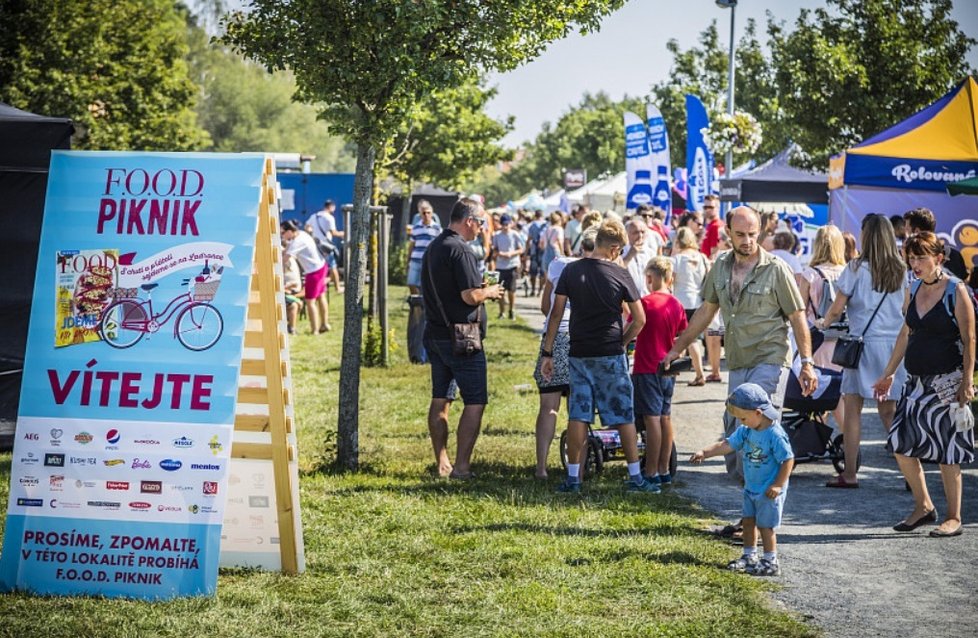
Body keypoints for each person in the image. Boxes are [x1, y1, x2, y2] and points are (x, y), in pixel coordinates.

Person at [667, 206, 817, 480]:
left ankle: (766, 502)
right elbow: (706, 311)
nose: (747, 240)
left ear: (760, 233)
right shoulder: (721, 266)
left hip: (770, 358)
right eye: (740, 234)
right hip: (738, 360)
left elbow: (797, 317)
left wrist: (807, 363)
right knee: (735, 429)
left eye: (752, 234)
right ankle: (747, 504)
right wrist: (678, 346)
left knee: (757, 425)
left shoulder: (776, 269)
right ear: (728, 233)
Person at [541, 219, 657, 494]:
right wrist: (623, 342)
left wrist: (548, 352)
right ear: (615, 248)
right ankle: (635, 476)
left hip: (578, 352)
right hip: (609, 353)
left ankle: (573, 478)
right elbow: (639, 319)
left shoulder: (571, 270)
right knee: (623, 415)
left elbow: (555, 314)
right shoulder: (619, 274)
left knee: (578, 415)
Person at [873, 231, 975, 537]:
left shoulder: (956, 291)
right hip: (915, 383)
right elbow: (906, 332)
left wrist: (967, 382)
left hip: (947, 383)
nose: (915, 263)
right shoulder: (913, 286)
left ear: (939, 258)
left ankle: (953, 517)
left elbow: (970, 339)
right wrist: (888, 372)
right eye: (911, 257)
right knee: (900, 444)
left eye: (921, 257)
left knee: (948, 452)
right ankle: (924, 506)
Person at [816, 214, 907, 488]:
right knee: (889, 413)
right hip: (893, 347)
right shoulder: (901, 269)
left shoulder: (856, 267)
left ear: (866, 236)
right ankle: (910, 474)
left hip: (862, 346)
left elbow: (836, 307)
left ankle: (850, 474)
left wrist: (823, 322)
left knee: (853, 410)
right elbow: (905, 309)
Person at [420, 198, 503, 479]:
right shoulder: (462, 250)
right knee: (475, 400)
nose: (482, 229)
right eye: (481, 223)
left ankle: (441, 461)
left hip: (435, 333)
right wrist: (490, 292)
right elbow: (469, 296)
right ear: (469, 221)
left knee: (440, 398)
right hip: (462, 338)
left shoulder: (435, 247)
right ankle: (462, 467)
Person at [690, 383, 794, 577]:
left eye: (743, 418)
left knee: (765, 526)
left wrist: (778, 484)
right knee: (748, 521)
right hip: (752, 486)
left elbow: (788, 459)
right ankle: (749, 556)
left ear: (757, 413)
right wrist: (705, 452)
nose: (741, 422)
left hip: (768, 490)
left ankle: (771, 561)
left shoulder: (775, 434)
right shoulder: (747, 431)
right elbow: (727, 444)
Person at [532, 227, 597, 479]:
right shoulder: (599, 270)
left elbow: (545, 306)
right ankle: (576, 470)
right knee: (577, 408)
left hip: (555, 335)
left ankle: (541, 468)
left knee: (549, 405)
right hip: (581, 337)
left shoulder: (558, 264)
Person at [632, 257, 688, 485]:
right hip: (668, 367)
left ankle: (650, 471)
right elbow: (682, 335)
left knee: (651, 419)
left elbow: (632, 327)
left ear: (650, 277)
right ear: (670, 278)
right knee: (665, 417)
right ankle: (664, 469)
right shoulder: (676, 304)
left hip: (647, 366)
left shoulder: (645, 303)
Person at [797, 225, 847, 428]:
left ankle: (818, 436)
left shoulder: (810, 274)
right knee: (840, 392)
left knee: (819, 389)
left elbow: (799, 310)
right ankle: (848, 439)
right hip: (843, 339)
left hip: (817, 339)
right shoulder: (847, 272)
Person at [670, 226, 709, 386]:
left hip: (680, 301)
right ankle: (697, 373)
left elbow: (670, 281)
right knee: (691, 338)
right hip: (697, 302)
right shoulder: (702, 257)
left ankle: (697, 373)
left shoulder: (676, 259)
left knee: (684, 339)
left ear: (678, 241)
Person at [281, 220, 330, 333]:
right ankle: (324, 324)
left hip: (313, 272)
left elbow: (285, 258)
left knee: (310, 301)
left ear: (289, 231)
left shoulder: (297, 242)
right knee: (321, 296)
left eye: (283, 233)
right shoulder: (301, 234)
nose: (282, 236)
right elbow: (287, 250)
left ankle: (315, 330)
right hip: (321, 266)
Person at [904, 207, 968, 279]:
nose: (915, 263)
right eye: (912, 258)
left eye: (906, 230)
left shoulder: (954, 256)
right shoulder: (955, 254)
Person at [305, 199, 344, 293]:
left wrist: (312, 233)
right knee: (333, 266)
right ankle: (337, 287)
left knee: (321, 266)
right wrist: (343, 233)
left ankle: (323, 284)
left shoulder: (314, 216)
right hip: (326, 246)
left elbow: (307, 227)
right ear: (331, 207)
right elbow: (333, 232)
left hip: (316, 245)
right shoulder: (329, 218)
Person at [490, 213, 525, 320]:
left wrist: (511, 253)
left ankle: (511, 310)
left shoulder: (515, 234)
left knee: (511, 290)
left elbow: (521, 249)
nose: (505, 227)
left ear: (510, 223)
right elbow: (494, 249)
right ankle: (502, 312)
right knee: (500, 290)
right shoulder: (497, 235)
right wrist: (498, 253)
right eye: (503, 224)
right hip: (500, 266)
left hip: (512, 265)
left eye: (507, 224)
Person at [406, 201, 441, 295]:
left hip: (429, 261)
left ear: (432, 213)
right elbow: (411, 245)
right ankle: (416, 305)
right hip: (415, 259)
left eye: (428, 212)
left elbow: (439, 246)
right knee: (411, 283)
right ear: (420, 214)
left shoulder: (437, 228)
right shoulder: (416, 227)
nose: (426, 215)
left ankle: (421, 306)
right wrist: (408, 259)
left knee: (425, 286)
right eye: (423, 213)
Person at [622, 217, 657, 296]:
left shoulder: (651, 253)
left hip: (647, 297)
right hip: (628, 300)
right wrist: (630, 255)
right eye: (635, 232)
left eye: (643, 232)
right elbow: (616, 271)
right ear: (627, 234)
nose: (640, 236)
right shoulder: (620, 252)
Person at [539, 212, 565, 283]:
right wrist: (562, 253)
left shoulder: (546, 229)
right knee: (557, 274)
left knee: (547, 276)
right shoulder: (559, 229)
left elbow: (541, 244)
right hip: (555, 252)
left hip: (546, 253)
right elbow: (559, 241)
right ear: (559, 220)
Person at [526, 210, 546, 296]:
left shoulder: (532, 225)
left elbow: (529, 239)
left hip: (534, 250)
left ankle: (533, 289)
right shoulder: (546, 225)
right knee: (542, 272)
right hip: (543, 250)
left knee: (533, 271)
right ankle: (540, 290)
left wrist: (526, 252)